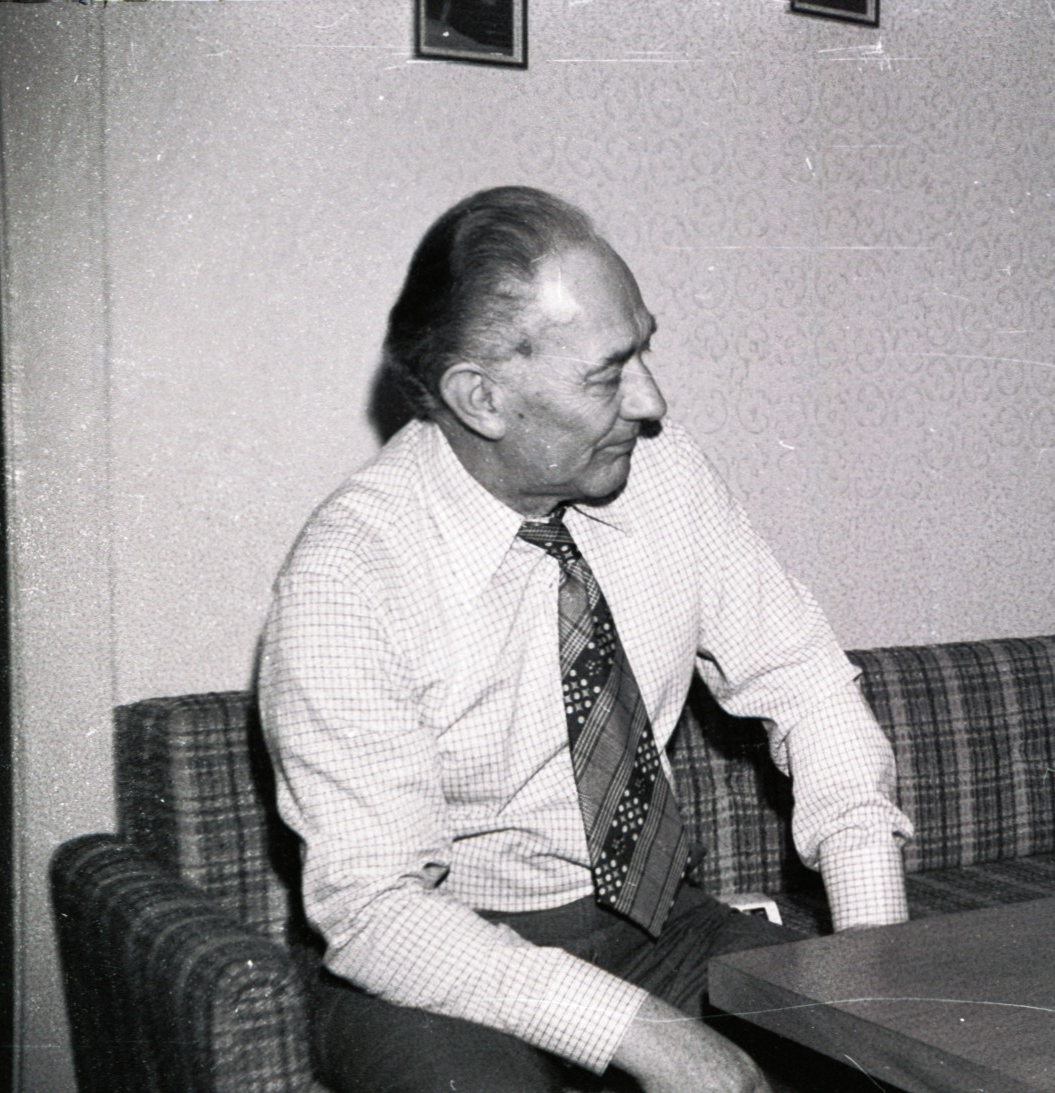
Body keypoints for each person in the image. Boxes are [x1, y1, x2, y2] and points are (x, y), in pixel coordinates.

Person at [259, 186, 913, 1093]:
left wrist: (876, 959)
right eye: (608, 375)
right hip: (438, 965)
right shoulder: (348, 577)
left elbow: (803, 679)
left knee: (896, 1074)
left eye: (643, 347)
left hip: (661, 926)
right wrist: (642, 1032)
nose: (652, 400)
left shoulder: (665, 474)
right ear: (480, 397)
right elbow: (376, 910)